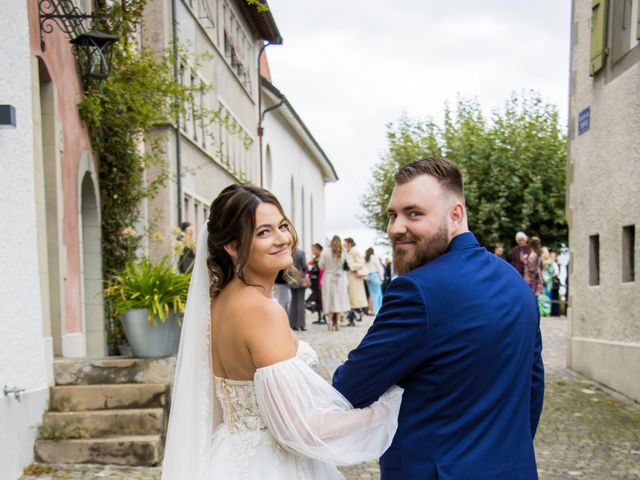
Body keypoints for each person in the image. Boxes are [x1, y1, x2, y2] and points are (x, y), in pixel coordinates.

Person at [162, 184, 402, 480]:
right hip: (272, 465)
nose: (282, 239)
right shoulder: (262, 311)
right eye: (264, 232)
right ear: (233, 247)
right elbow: (297, 429)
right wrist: (383, 412)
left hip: (226, 454)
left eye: (282, 226)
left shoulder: (219, 302)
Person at [333, 158, 544, 480]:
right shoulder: (516, 283)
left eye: (414, 213)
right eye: (392, 214)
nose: (395, 227)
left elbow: (349, 388)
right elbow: (533, 389)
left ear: (455, 214)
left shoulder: (416, 291)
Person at [319, 235, 351, 331]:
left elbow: (321, 265)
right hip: (340, 278)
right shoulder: (344, 252)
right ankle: (338, 322)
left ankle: (329, 323)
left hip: (328, 277)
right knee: (339, 300)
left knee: (328, 299)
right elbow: (348, 265)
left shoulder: (325, 251)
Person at [344, 237, 368, 326]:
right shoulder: (346, 252)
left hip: (354, 278)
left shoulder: (355, 252)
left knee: (355, 299)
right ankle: (351, 318)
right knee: (350, 299)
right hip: (348, 278)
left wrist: (351, 266)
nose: (344, 244)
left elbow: (361, 263)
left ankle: (355, 316)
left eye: (345, 242)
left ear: (349, 243)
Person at [289, 247, 308, 331]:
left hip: (291, 278)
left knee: (293, 302)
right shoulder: (301, 252)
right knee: (300, 302)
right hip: (300, 279)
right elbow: (305, 267)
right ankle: (301, 324)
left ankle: (293, 324)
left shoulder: (289, 252)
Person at [308, 243, 325, 324]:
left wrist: (320, 282)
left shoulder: (322, 258)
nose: (312, 251)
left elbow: (322, 270)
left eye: (314, 249)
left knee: (321, 299)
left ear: (318, 249)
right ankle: (319, 317)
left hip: (319, 281)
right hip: (314, 281)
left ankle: (323, 317)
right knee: (318, 299)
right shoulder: (315, 259)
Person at [364, 247, 385, 315]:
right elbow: (379, 268)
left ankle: (376, 311)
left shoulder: (366, 259)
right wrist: (382, 278)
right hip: (375, 276)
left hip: (368, 277)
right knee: (378, 295)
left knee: (373, 295)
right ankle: (379, 311)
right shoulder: (374, 258)